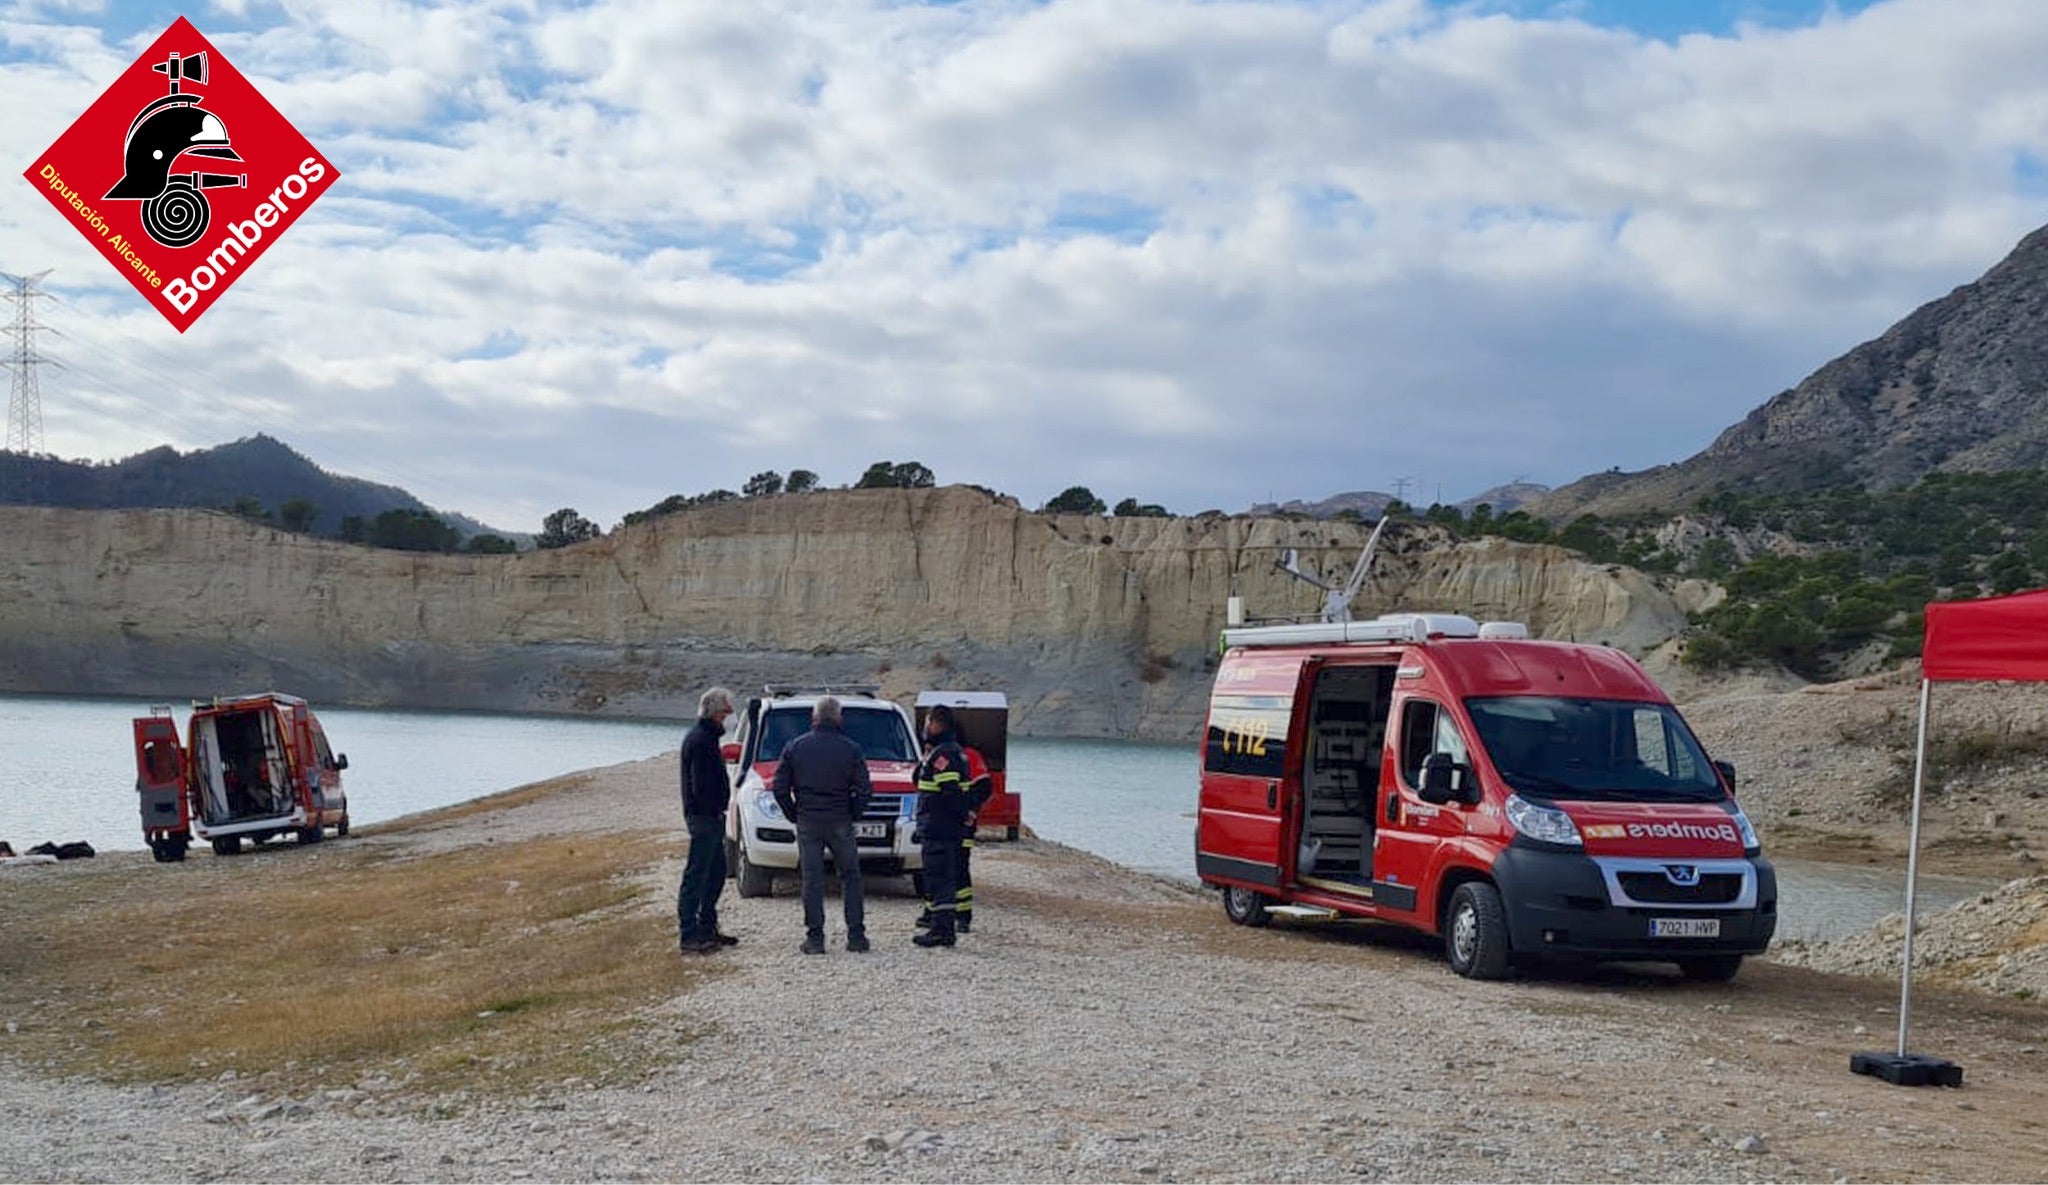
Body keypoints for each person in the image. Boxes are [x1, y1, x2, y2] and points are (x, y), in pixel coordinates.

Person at [770, 695, 873, 954]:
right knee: (851, 876)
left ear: (814, 717)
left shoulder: (795, 747)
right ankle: (856, 936)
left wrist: (793, 813)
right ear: (839, 718)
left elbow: (779, 787)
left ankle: (815, 938)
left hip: (809, 819)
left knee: (812, 879)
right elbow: (864, 789)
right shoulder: (851, 749)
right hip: (840, 818)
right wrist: (853, 813)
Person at [918, 710, 994, 934]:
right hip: (945, 822)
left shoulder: (964, 755)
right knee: (935, 871)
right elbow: (919, 781)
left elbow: (982, 788)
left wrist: (969, 810)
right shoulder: (936, 754)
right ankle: (932, 913)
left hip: (957, 823)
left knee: (958, 869)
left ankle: (962, 916)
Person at [677, 686, 737, 956]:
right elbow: (700, 785)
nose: (730, 716)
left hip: (711, 816)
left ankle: (707, 927)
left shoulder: (707, 738)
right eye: (726, 712)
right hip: (703, 817)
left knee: (715, 873)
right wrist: (714, 806)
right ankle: (689, 934)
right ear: (715, 712)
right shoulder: (701, 741)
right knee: (697, 875)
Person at [912, 705, 974, 948]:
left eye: (928, 722)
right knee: (940, 878)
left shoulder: (944, 755)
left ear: (937, 724)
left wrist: (962, 815)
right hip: (940, 827)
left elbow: (951, 793)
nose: (926, 727)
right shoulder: (944, 752)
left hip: (939, 827)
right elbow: (919, 780)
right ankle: (941, 928)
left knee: (940, 880)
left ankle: (942, 931)